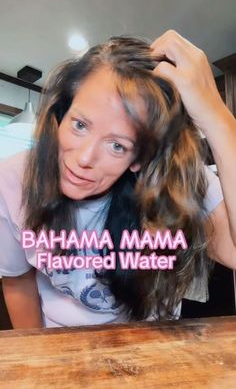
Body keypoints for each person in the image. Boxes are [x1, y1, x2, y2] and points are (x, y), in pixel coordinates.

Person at [0, 30, 236, 329]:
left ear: (139, 159)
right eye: (80, 125)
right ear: (61, 115)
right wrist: (35, 360)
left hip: (152, 341)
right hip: (63, 344)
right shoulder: (13, 180)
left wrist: (216, 116)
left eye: (117, 146)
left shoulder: (173, 178)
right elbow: (18, 281)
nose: (84, 158)